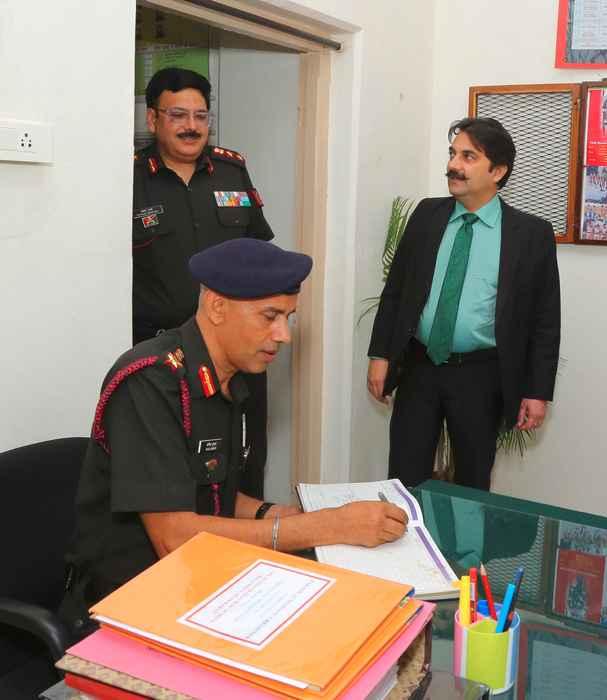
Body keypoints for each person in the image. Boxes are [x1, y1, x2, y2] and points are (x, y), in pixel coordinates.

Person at [62, 239, 408, 636]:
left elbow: (212, 491)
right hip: (127, 601)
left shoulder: (233, 375)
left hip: (204, 582)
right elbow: (173, 539)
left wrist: (283, 515)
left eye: (288, 318)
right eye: (270, 316)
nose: (284, 335)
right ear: (216, 307)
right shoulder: (150, 382)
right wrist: (327, 526)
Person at [366, 117, 560, 492]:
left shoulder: (530, 235)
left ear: (498, 171)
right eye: (453, 154)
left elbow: (545, 320)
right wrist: (380, 354)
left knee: (473, 480)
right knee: (404, 476)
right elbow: (396, 290)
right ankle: (406, 531)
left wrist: (537, 391)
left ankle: (467, 536)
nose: (454, 165)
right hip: (420, 367)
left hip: (481, 376)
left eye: (468, 157)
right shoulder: (427, 215)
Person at [133, 67, 272, 499]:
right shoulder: (128, 179)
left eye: (200, 116)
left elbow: (259, 253)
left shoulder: (232, 171)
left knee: (243, 460)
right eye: (178, 115)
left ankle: (249, 536)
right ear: (153, 119)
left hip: (235, 353)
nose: (191, 126)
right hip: (163, 360)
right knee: (169, 469)